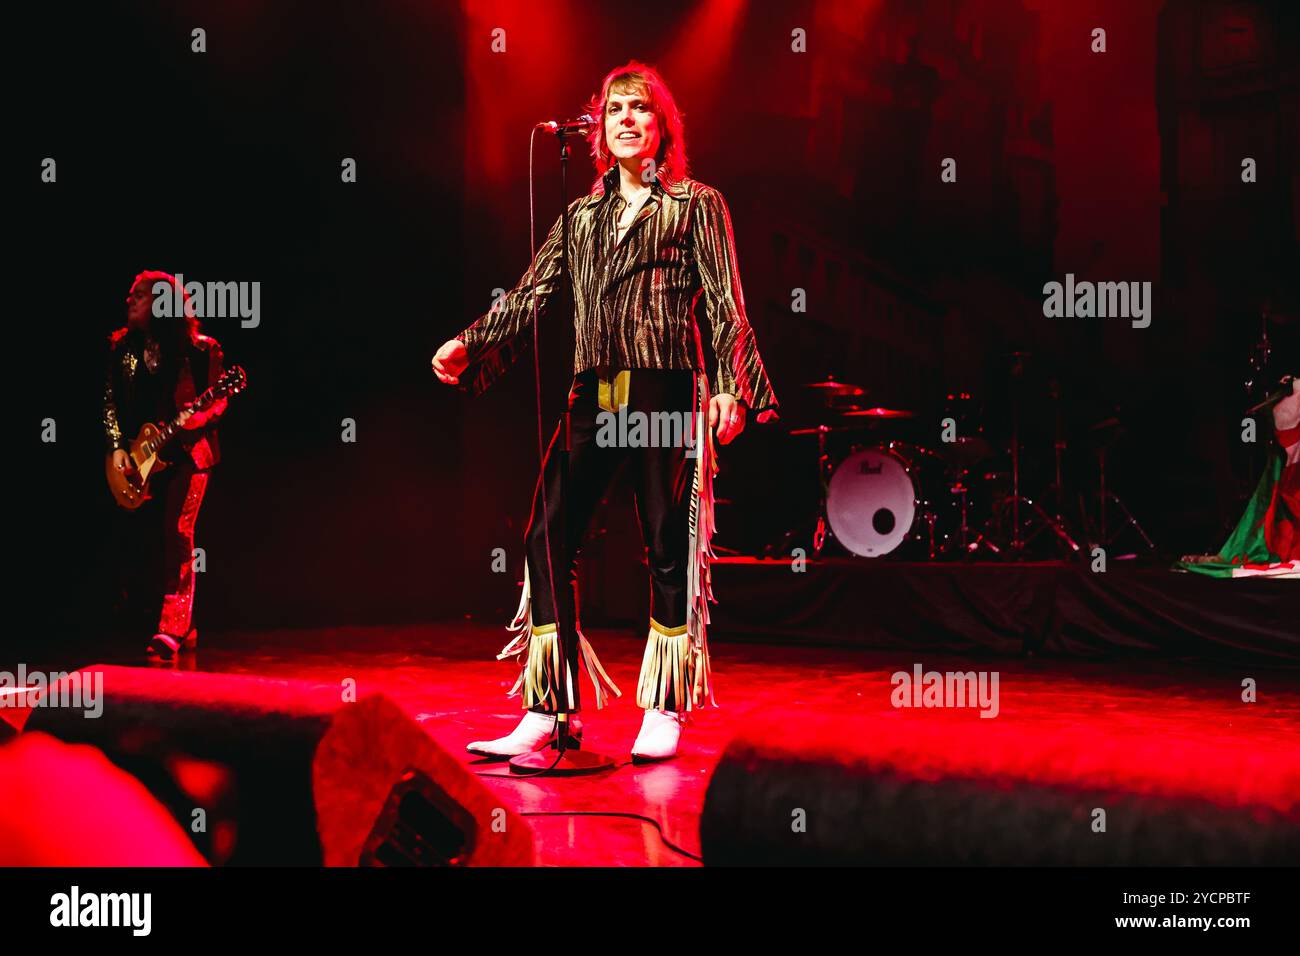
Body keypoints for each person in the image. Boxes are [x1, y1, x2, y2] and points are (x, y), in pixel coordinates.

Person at [433, 61, 778, 762]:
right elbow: (532, 294)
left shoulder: (693, 204)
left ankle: (665, 705)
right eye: (615, 108)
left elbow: (724, 301)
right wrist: (469, 343)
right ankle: (550, 708)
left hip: (662, 384)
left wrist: (732, 390)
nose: (626, 119)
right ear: (599, 129)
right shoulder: (580, 216)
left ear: (661, 129)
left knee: (664, 538)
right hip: (597, 390)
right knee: (546, 535)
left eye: (640, 109)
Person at [105, 271, 228, 659]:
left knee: (178, 531)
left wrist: (199, 418)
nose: (129, 300)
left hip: (191, 454)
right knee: (146, 536)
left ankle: (173, 625)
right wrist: (116, 448)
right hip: (140, 457)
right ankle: (160, 618)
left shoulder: (201, 349)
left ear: (161, 303)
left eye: (138, 295)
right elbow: (109, 402)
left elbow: (219, 399)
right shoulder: (123, 349)